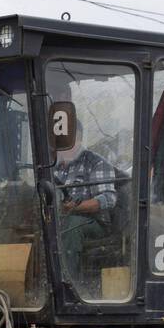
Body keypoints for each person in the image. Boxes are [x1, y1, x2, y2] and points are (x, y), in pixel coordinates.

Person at [53, 120, 119, 294]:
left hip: (95, 223)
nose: (58, 145)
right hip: (62, 219)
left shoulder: (95, 163)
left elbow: (108, 199)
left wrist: (75, 207)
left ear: (78, 139)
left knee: (71, 225)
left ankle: (69, 288)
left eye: (63, 140)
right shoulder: (55, 167)